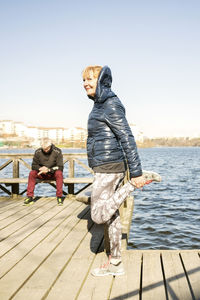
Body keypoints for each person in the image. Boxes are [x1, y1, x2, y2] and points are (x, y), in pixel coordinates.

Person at [82, 65, 161, 276]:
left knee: (98, 215)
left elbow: (127, 137)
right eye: (84, 80)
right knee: (112, 216)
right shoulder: (100, 104)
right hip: (106, 165)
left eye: (90, 79)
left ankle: (133, 185)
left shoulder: (110, 103)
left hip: (109, 167)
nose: (85, 83)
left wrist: (135, 173)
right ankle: (116, 262)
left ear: (101, 80)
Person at [24, 138, 64, 206]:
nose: (45, 150)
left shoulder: (57, 151)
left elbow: (60, 167)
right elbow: (33, 165)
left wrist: (48, 170)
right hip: (41, 173)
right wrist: (40, 168)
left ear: (50, 146)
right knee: (32, 173)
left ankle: (59, 197)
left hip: (52, 173)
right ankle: (30, 197)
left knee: (59, 173)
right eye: (43, 149)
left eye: (47, 148)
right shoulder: (37, 152)